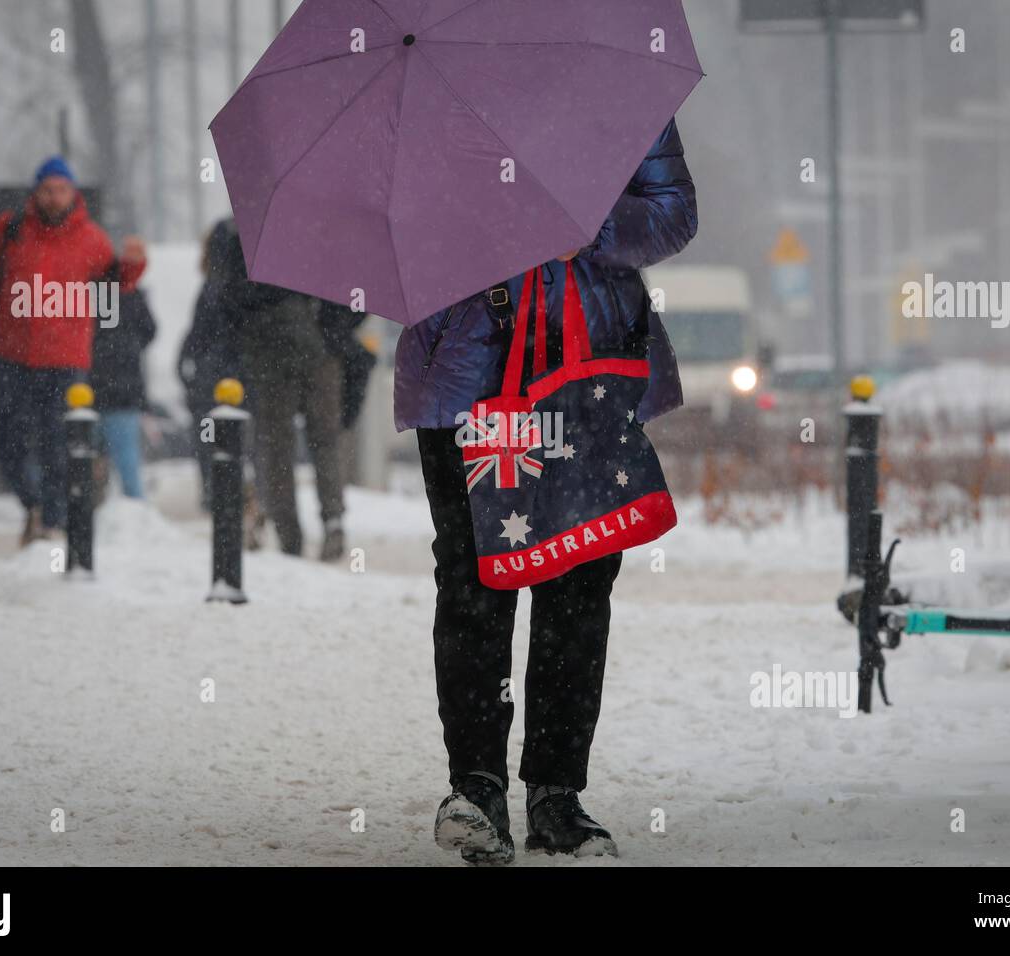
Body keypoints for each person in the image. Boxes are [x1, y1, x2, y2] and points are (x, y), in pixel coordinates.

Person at [392, 118, 697, 863]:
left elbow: (672, 215)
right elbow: (395, 231)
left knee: (579, 585)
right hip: (467, 379)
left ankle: (557, 794)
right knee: (473, 586)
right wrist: (482, 220)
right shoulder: (427, 96)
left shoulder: (617, 96)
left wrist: (580, 223)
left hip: (588, 377)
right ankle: (477, 789)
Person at [0, 155, 146, 543]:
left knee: (58, 444)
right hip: (13, 356)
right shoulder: (9, 230)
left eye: (61, 189)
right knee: (8, 439)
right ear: (36, 191)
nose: (54, 197)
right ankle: (32, 503)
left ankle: (52, 521)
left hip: (65, 360)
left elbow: (112, 287)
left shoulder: (92, 238)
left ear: (73, 192)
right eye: (47, 189)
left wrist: (133, 265)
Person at [215, 220, 354, 562]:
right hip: (306, 353)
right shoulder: (325, 230)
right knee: (317, 441)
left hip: (278, 354)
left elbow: (228, 300)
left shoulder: (247, 235)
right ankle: (322, 524)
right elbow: (354, 297)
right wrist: (331, 333)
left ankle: (295, 532)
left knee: (281, 445)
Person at [179, 222, 243, 509]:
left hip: (210, 373)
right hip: (238, 371)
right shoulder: (241, 285)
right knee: (238, 436)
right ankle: (233, 490)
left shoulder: (211, 286)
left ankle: (213, 491)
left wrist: (186, 369)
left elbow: (196, 334)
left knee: (208, 437)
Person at [90, 286, 157, 499]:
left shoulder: (83, 290)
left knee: (85, 460)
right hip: (124, 391)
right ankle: (135, 512)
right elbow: (150, 330)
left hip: (90, 390)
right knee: (127, 462)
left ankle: (90, 511)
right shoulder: (130, 292)